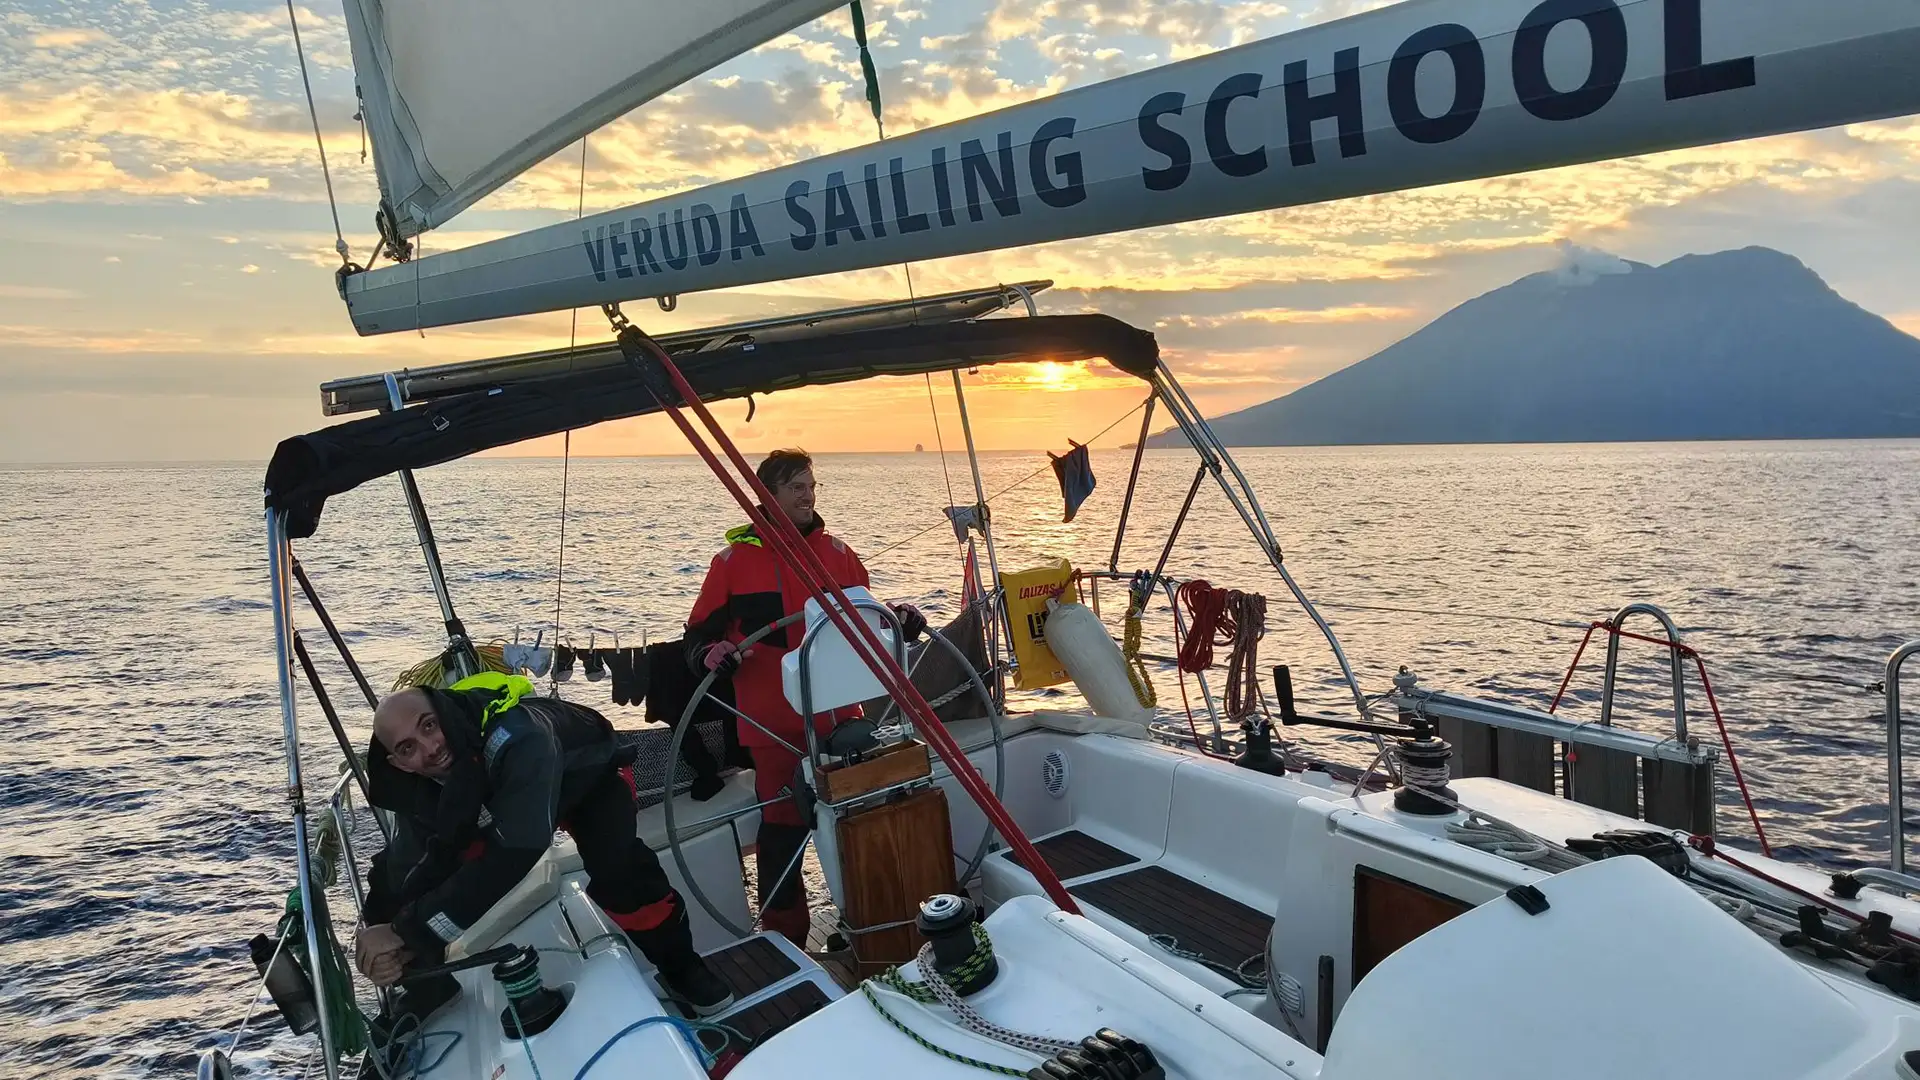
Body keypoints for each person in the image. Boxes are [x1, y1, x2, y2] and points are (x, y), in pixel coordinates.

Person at [352, 672, 733, 1023]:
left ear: (443, 710)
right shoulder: (419, 782)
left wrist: (409, 929)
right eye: (408, 748)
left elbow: (520, 848)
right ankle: (428, 985)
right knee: (404, 878)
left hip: (586, 778)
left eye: (430, 725)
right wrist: (384, 939)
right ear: (398, 764)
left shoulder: (520, 736)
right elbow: (411, 866)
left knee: (619, 869)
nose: (431, 748)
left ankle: (682, 968)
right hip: (502, 794)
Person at [683, 449, 925, 948]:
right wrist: (713, 652)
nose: (808, 494)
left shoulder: (837, 553)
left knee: (858, 820)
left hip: (842, 722)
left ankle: (873, 922)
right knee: (782, 830)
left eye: (811, 485)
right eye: (796, 486)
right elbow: (695, 643)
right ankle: (786, 939)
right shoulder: (731, 564)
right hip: (774, 727)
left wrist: (900, 616)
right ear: (766, 496)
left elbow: (870, 621)